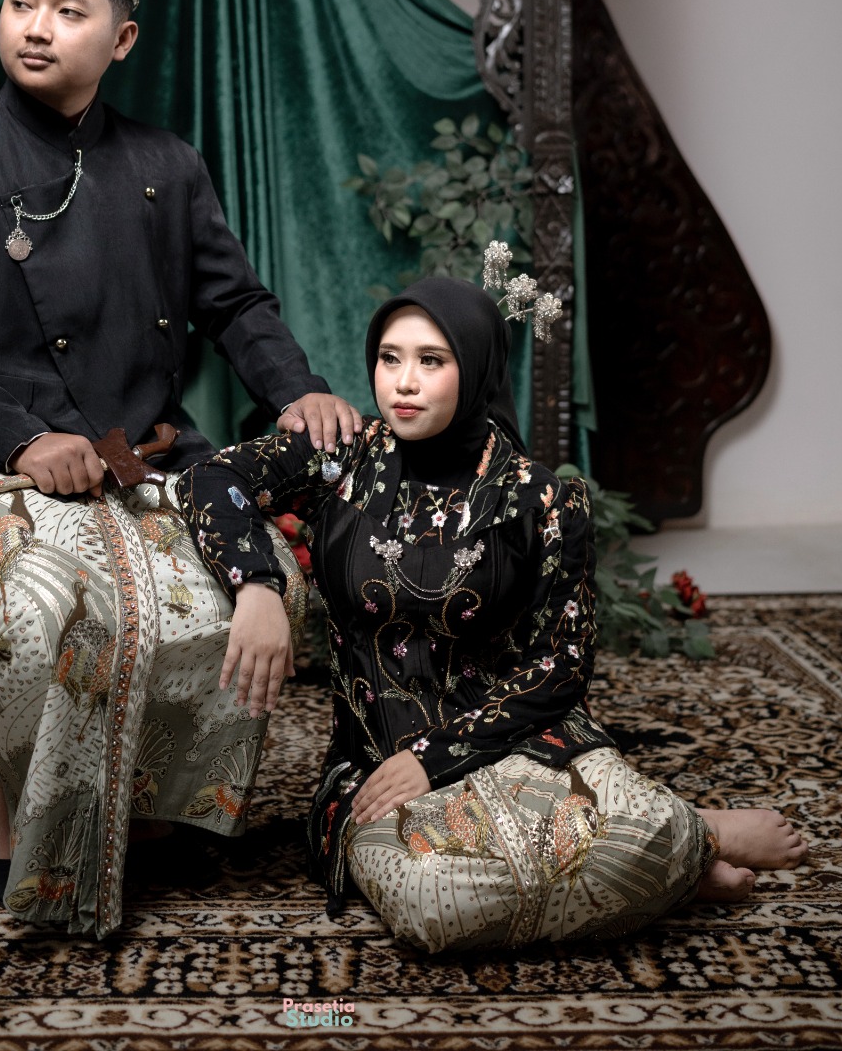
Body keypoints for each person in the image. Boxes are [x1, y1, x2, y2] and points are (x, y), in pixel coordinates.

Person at [0, 0, 360, 938]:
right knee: (48, 613)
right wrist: (18, 439)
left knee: (248, 593)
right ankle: (30, 805)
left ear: (120, 39)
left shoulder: (167, 162)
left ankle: (149, 799)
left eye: (68, 12)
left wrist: (296, 390)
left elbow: (236, 305)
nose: (36, 27)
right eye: (22, 5)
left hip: (139, 444)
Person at [182, 277, 809, 952]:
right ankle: (678, 857)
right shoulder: (342, 460)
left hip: (521, 742)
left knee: (627, 831)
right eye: (390, 358)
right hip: (377, 767)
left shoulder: (541, 499)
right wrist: (258, 587)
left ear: (477, 366)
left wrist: (435, 757)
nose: (403, 381)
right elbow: (207, 479)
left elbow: (563, 666)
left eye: (432, 360)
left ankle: (686, 839)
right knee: (434, 904)